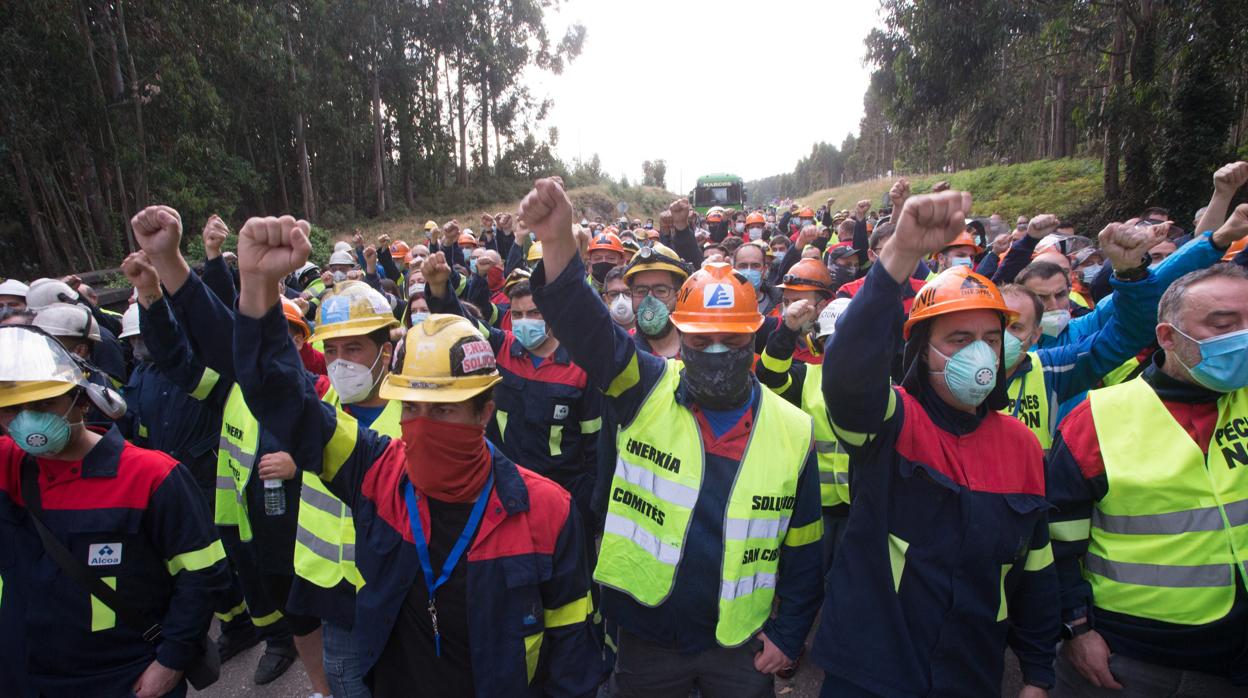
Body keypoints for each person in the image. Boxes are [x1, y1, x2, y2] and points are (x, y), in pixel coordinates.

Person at [227, 213, 604, 697]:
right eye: (413, 407)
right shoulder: (375, 472)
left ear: (484, 413)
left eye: (444, 410)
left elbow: (572, 663)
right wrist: (256, 285)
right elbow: (281, 398)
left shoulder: (548, 512)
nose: (423, 425)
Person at [524, 177, 823, 697]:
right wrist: (555, 243)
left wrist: (790, 632)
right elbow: (587, 328)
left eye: (730, 340)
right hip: (647, 638)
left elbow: (804, 549)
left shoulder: (793, 430)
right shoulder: (643, 388)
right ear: (680, 333)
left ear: (753, 335)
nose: (714, 350)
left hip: (741, 646)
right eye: (701, 339)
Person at [813, 190, 1057, 696]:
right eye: (957, 339)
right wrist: (898, 254)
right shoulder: (894, 420)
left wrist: (1037, 671)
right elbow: (848, 377)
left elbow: (1034, 568)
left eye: (990, 339)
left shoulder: (1022, 447)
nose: (979, 354)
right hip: (872, 672)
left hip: (970, 672)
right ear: (922, 352)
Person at [129, 205, 327, 690]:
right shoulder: (227, 387)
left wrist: (297, 462)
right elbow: (186, 352)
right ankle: (282, 645)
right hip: (245, 514)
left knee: (310, 602)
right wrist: (160, 279)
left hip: (303, 524)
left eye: (287, 335)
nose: (272, 348)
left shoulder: (320, 389)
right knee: (268, 590)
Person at [1047, 236, 1248, 696]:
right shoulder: (1096, 419)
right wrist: (1075, 629)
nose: (1242, 336)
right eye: (1223, 325)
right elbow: (1054, 543)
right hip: (1137, 658)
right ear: (1168, 338)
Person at [0, 325, 229, 697]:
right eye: (12, 409)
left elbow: (203, 576)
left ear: (82, 400)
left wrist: (171, 661)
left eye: (44, 405)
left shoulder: (151, 475)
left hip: (125, 675)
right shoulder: (11, 468)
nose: (28, 422)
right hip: (26, 676)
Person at [423, 255, 603, 530]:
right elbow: (462, 325)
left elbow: (594, 450)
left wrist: (588, 513)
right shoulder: (501, 347)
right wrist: (438, 288)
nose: (524, 322)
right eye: (517, 315)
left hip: (564, 497)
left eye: (534, 313)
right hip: (505, 489)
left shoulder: (581, 367)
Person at [623, 243, 693, 359]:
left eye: (661, 290)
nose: (650, 299)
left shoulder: (698, 350)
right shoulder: (622, 350)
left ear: (679, 296)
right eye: (641, 291)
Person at [733, 241, 781, 316]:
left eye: (755, 266)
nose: (749, 271)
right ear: (733, 269)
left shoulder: (779, 301)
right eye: (743, 266)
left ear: (764, 270)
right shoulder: (722, 302)